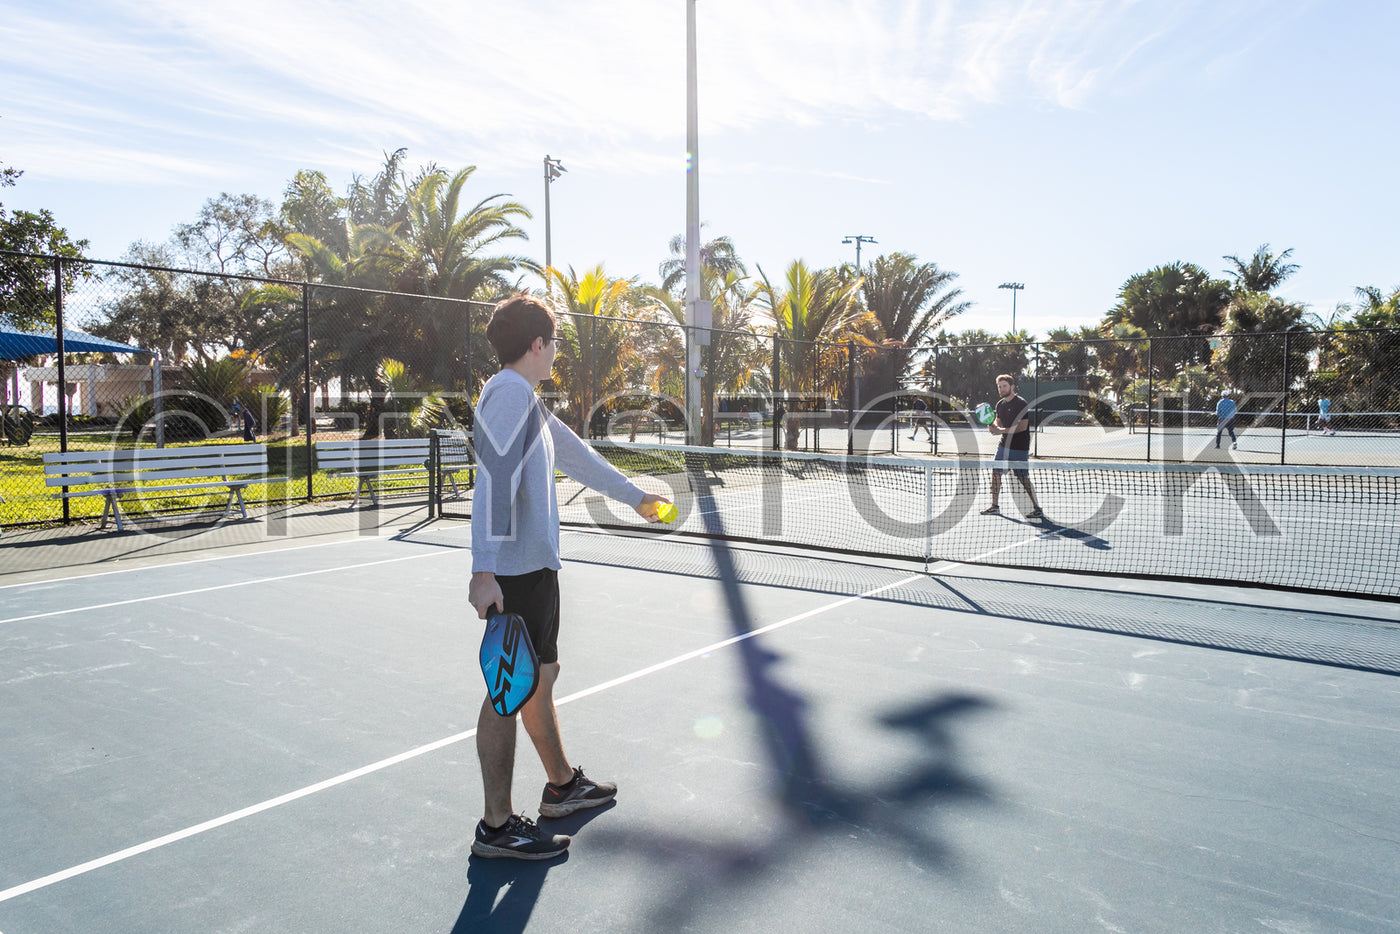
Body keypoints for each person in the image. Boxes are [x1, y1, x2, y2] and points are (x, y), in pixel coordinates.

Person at [467, 294, 670, 861]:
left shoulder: (522, 399)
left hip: (533, 567)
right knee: (508, 691)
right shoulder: (507, 396)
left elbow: (574, 455)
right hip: (513, 572)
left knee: (542, 674)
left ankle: (560, 785)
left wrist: (633, 498)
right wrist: (483, 569)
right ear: (537, 344)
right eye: (553, 343)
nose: (555, 352)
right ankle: (497, 827)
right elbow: (492, 483)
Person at [980, 374, 1043, 520]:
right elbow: (998, 422)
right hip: (1004, 446)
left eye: (1004, 386)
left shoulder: (1021, 403)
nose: (1001, 389)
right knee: (995, 473)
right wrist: (992, 426)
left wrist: (1001, 431)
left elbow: (1022, 427)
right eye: (999, 386)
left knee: (1022, 478)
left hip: (1020, 447)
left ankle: (1037, 508)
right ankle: (994, 506)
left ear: (1012, 386)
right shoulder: (999, 405)